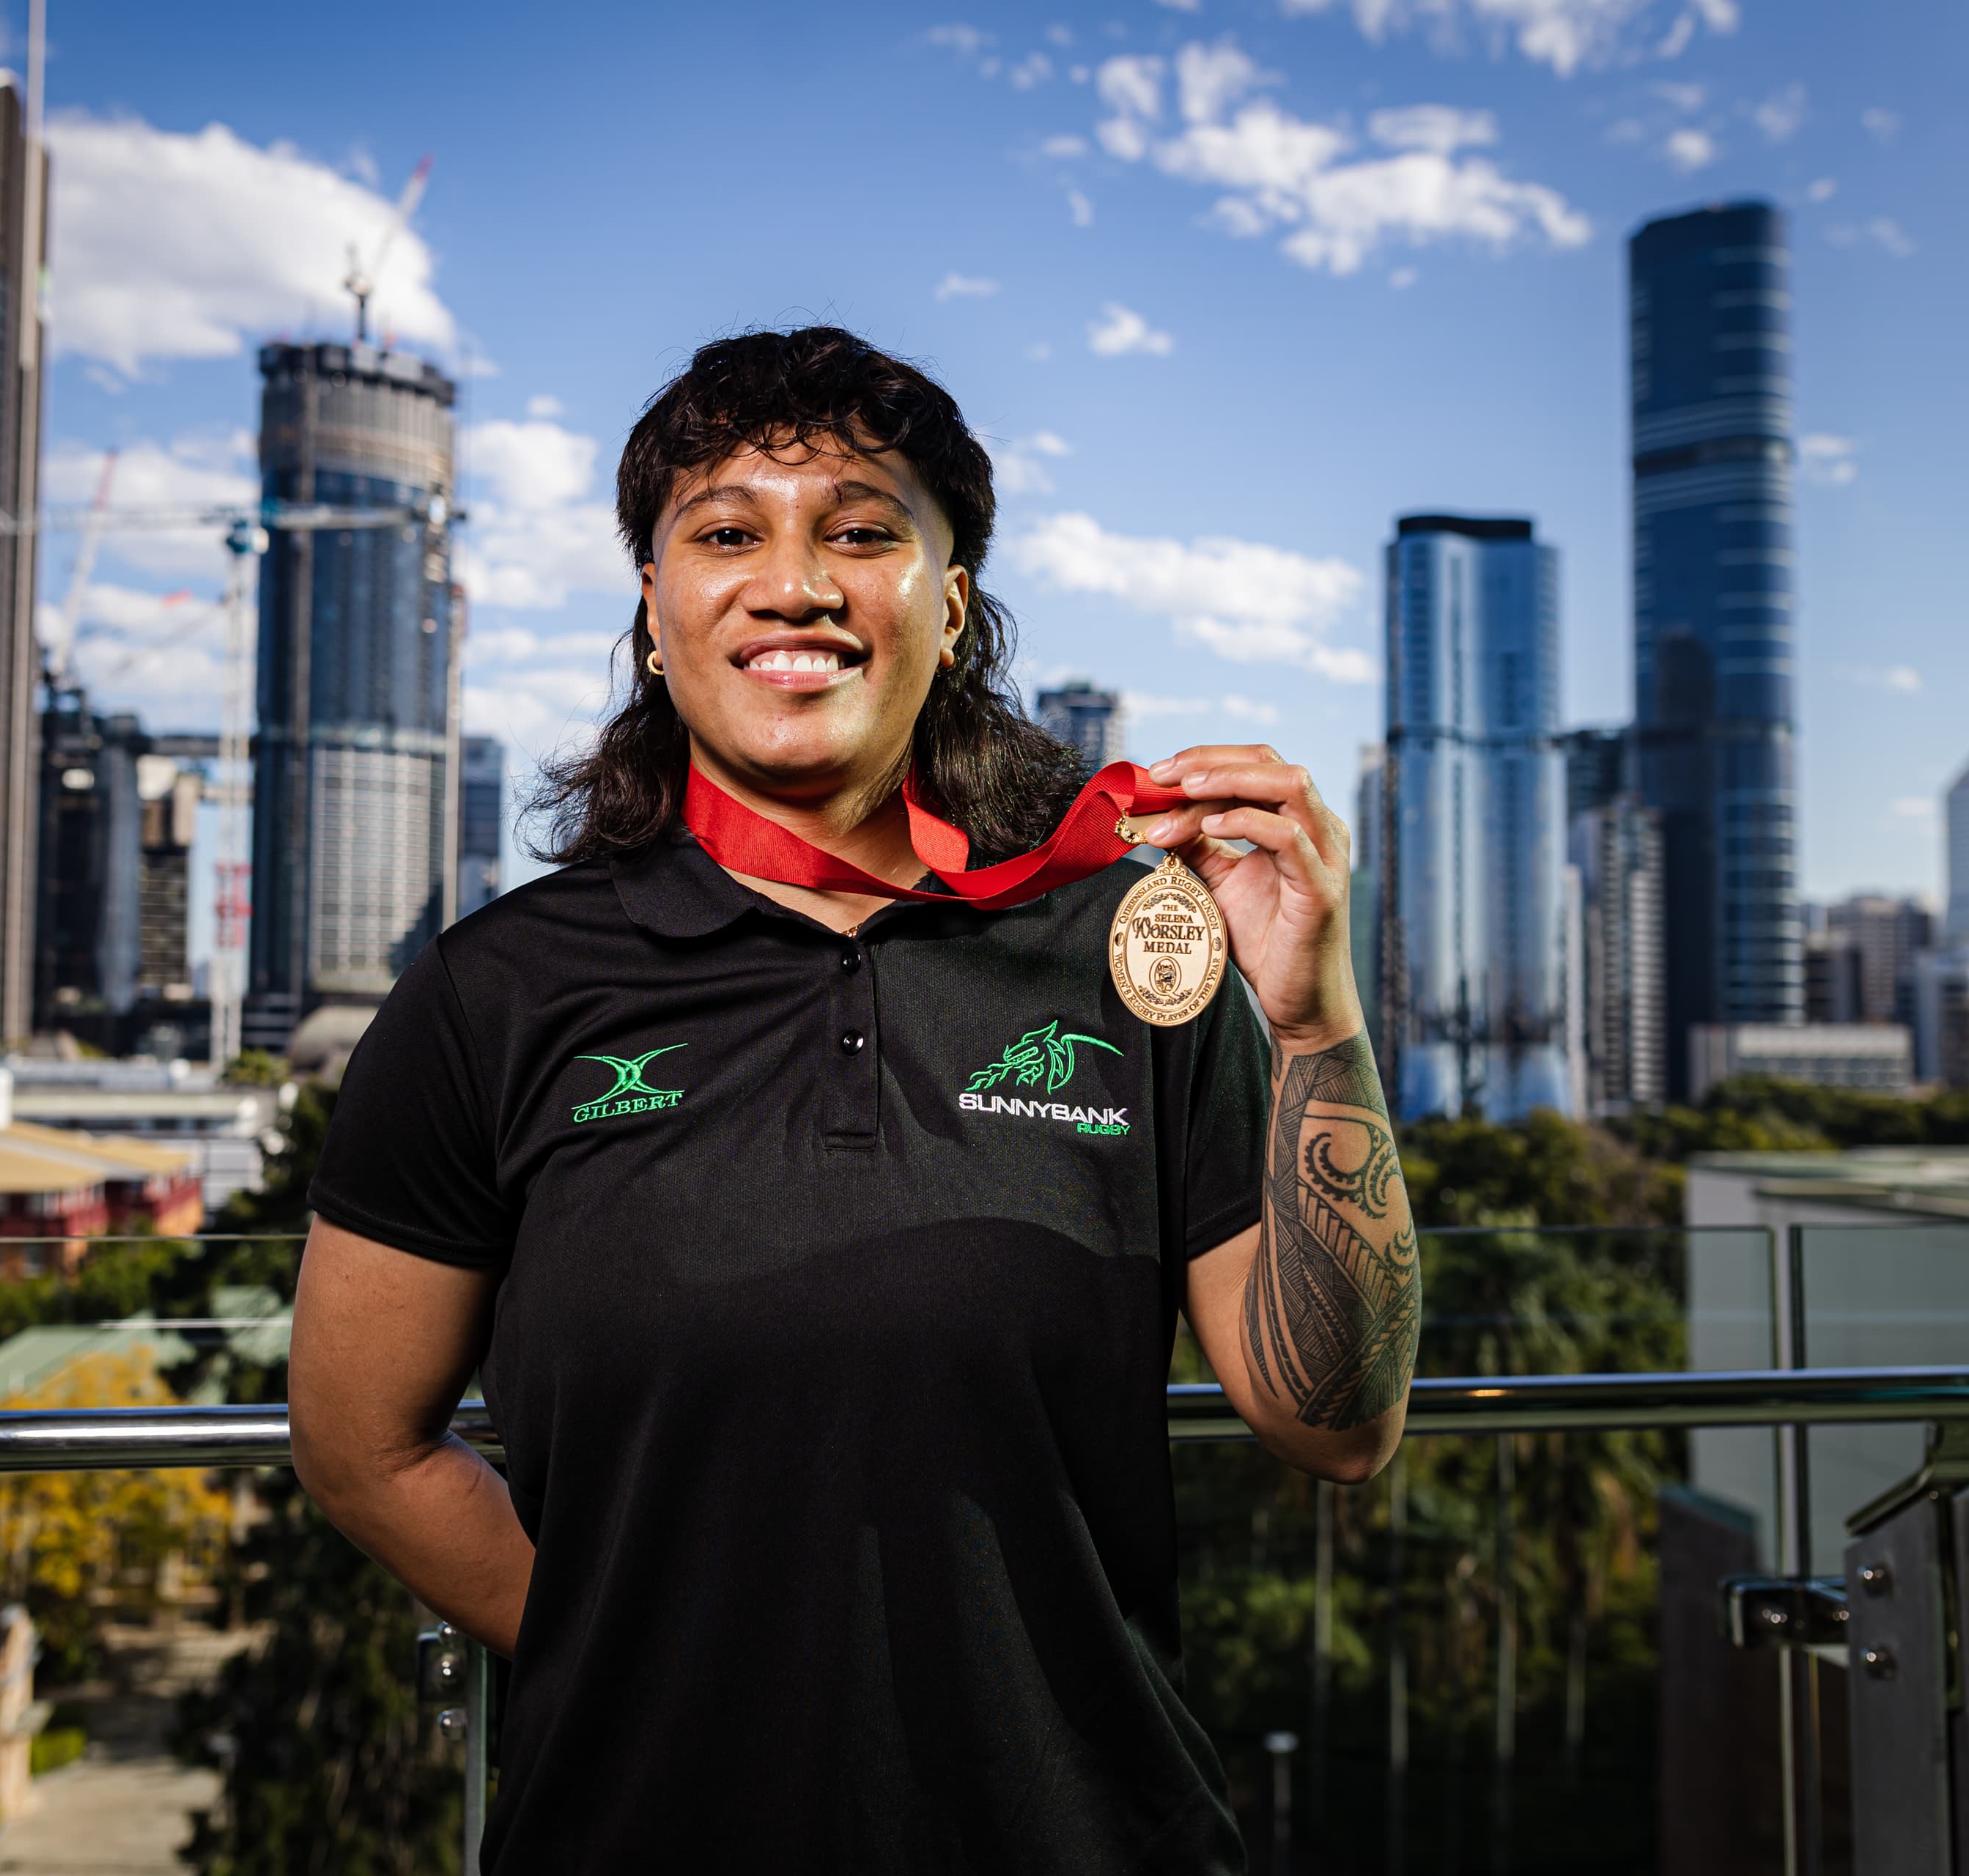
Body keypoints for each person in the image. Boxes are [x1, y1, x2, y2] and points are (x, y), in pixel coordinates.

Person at [287, 327, 1419, 1872]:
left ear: (950, 608)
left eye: (865, 531)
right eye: (727, 530)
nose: (796, 582)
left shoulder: (1129, 957)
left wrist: (1310, 1020)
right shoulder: (495, 990)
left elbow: (1336, 1422)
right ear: (656, 604)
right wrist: (638, 1654)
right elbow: (362, 1445)